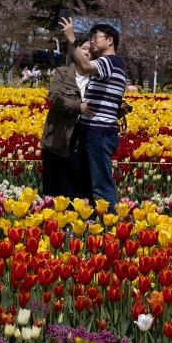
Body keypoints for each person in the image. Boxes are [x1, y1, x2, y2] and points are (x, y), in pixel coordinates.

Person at [59, 17, 127, 206]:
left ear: (110, 40)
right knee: (87, 184)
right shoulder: (111, 64)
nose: (92, 42)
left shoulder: (110, 61)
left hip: (99, 132)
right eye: (91, 38)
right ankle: (92, 219)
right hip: (94, 131)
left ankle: (109, 220)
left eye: (96, 37)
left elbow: (85, 66)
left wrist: (72, 38)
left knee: (100, 185)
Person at [40, 39, 93, 200]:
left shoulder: (96, 80)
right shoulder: (62, 73)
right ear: (76, 51)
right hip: (58, 136)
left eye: (92, 50)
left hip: (82, 139)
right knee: (54, 190)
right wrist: (78, 107)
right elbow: (55, 98)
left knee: (77, 191)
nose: (88, 52)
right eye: (84, 48)